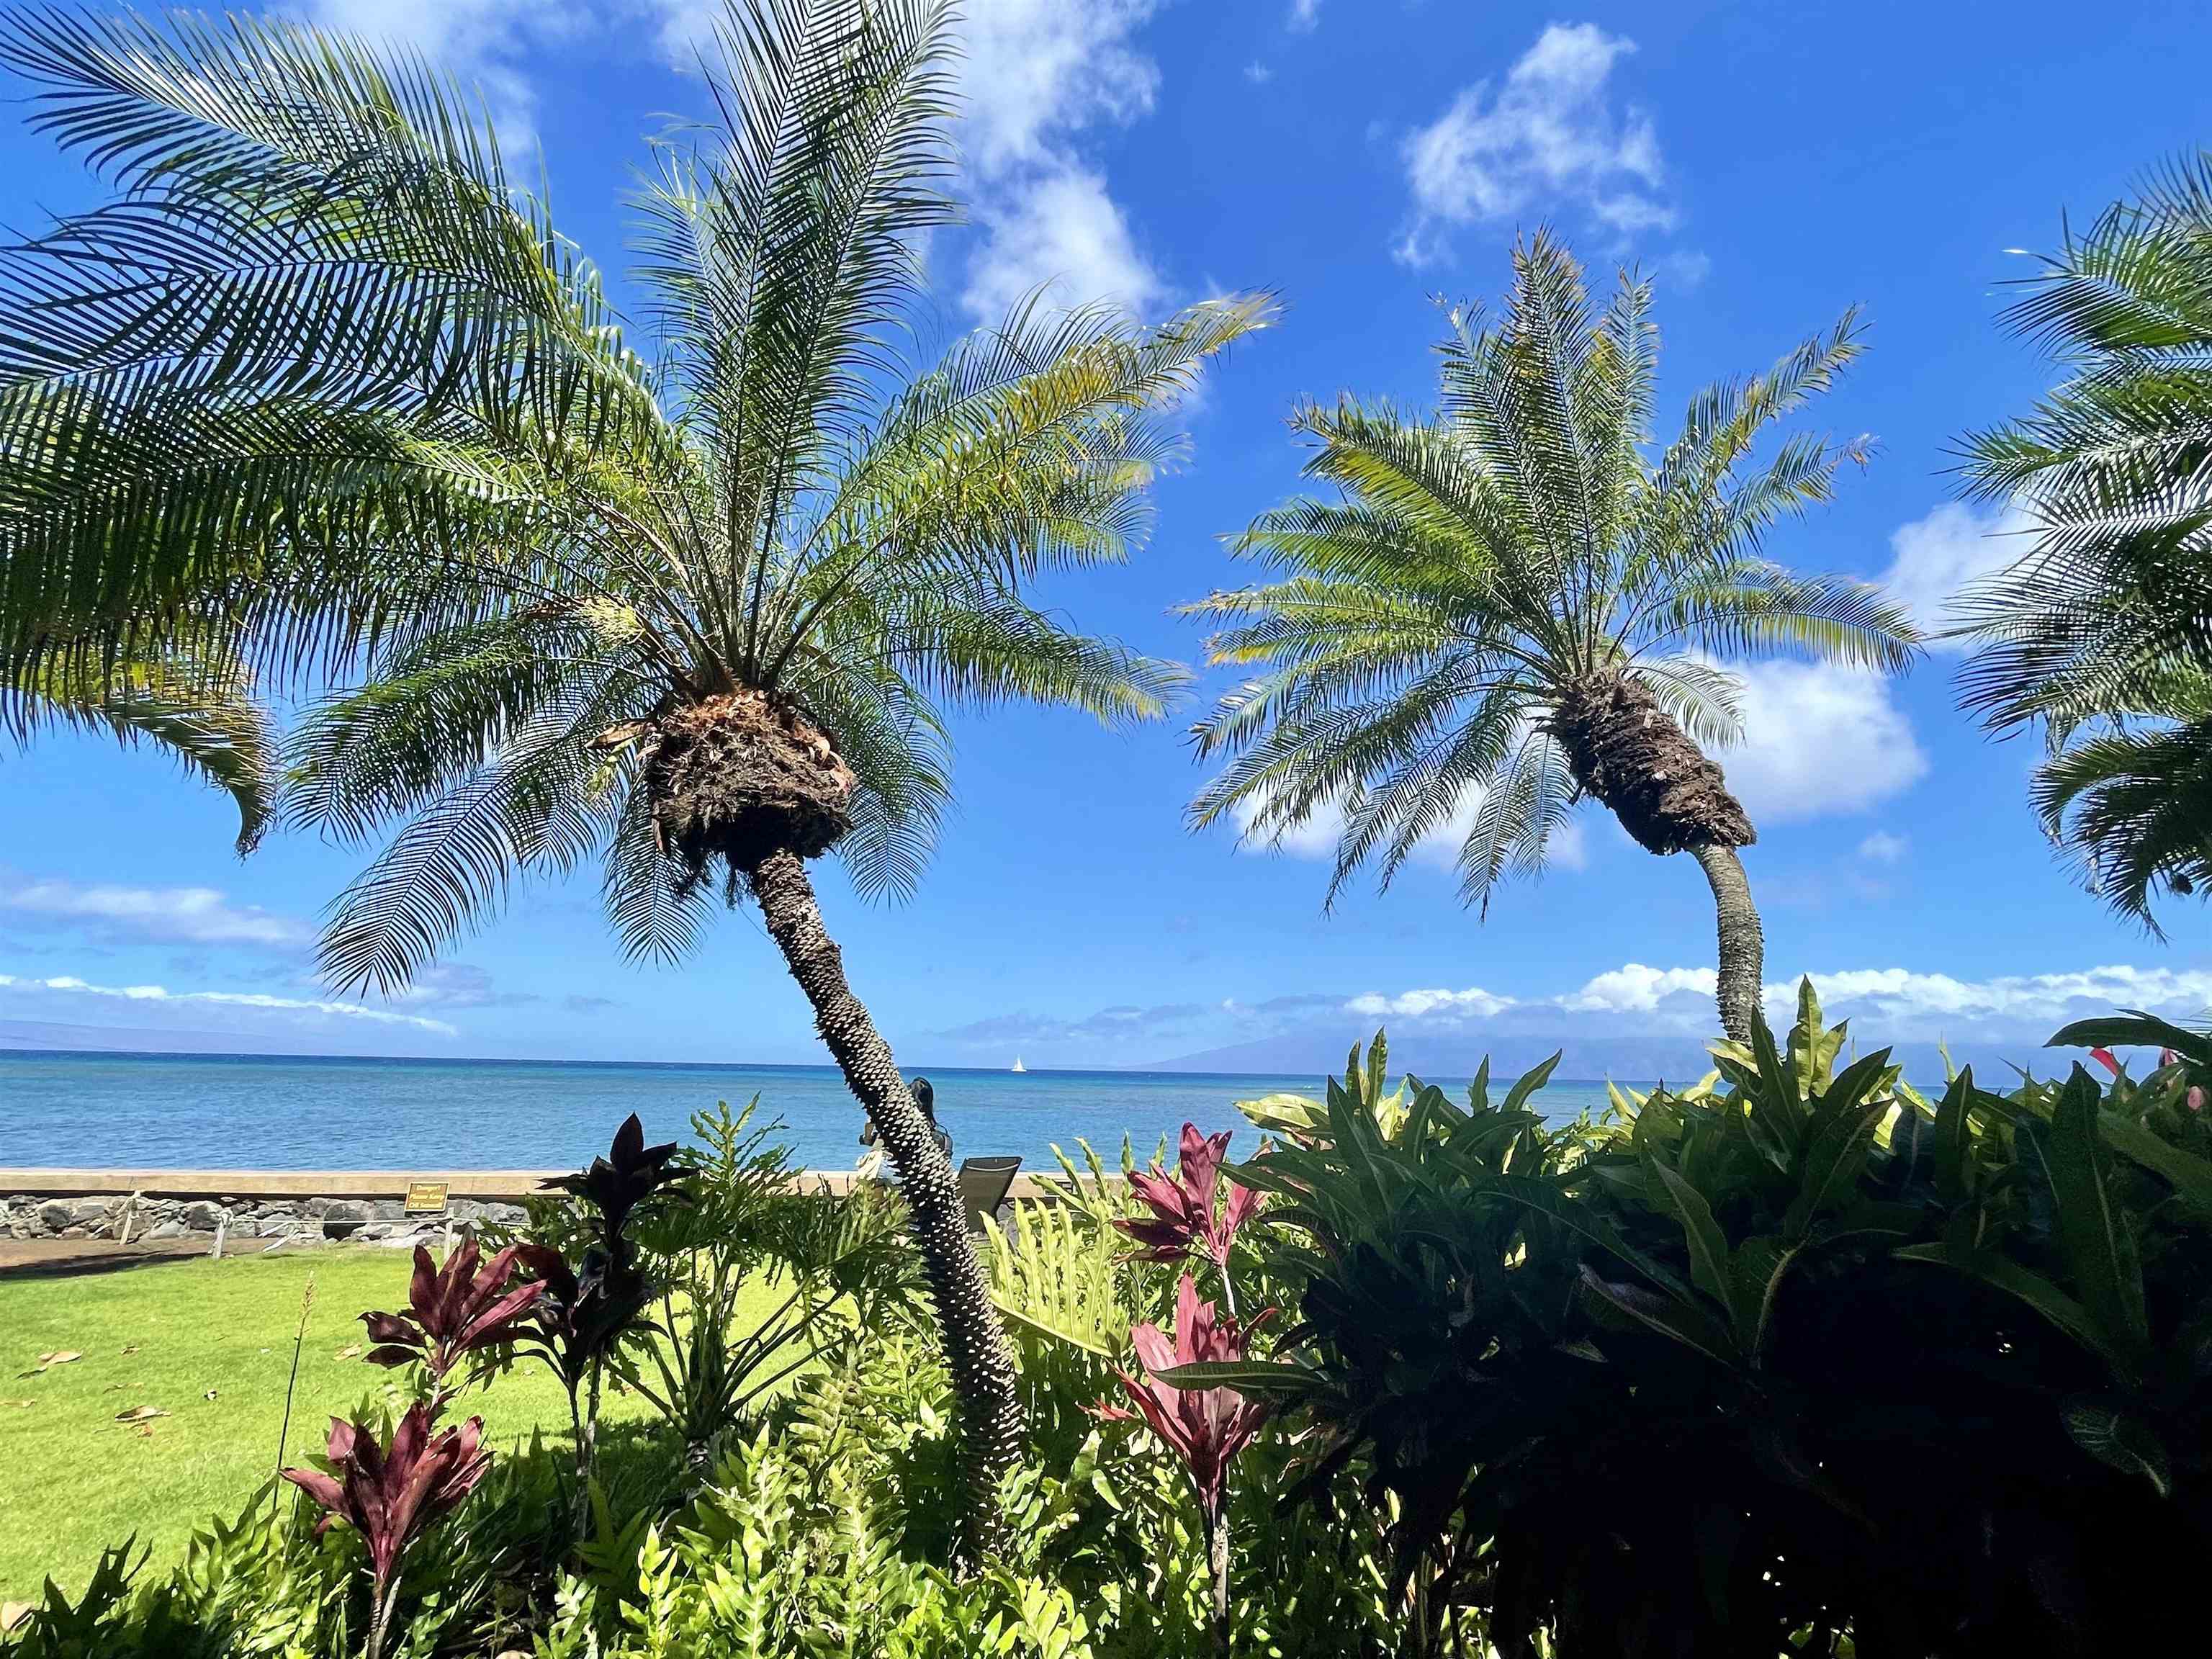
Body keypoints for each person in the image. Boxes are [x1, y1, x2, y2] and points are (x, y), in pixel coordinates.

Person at [858, 1075, 953, 1167]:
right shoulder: (931, 1131)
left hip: (885, 1169)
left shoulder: (894, 1115)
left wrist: (868, 1138)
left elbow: (869, 1123)